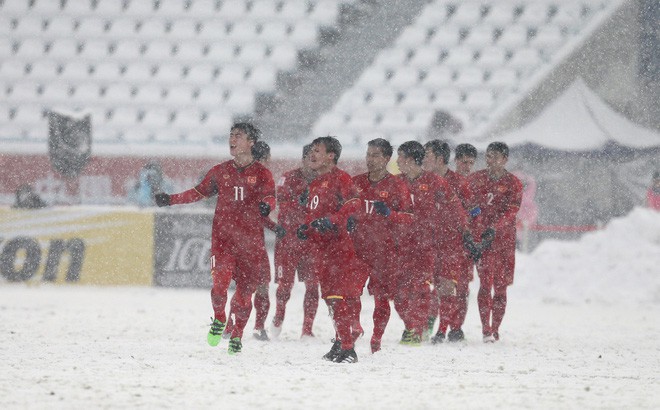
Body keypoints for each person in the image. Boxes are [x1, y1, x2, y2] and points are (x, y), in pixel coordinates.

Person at [154, 123, 276, 355]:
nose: (232, 140)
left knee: (243, 294)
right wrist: (171, 199)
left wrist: (266, 206)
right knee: (219, 286)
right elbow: (198, 192)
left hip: (251, 245)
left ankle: (238, 335)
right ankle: (219, 317)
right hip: (224, 242)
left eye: (238, 136)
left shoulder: (262, 174)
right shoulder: (220, 171)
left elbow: (271, 197)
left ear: (251, 143)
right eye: (230, 136)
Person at [297, 136, 364, 363]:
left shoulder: (341, 178)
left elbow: (353, 204)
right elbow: (313, 216)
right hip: (321, 250)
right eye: (311, 151)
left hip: (339, 247)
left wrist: (333, 220)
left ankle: (348, 349)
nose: (312, 155)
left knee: (336, 297)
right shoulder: (314, 183)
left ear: (331, 156)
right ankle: (341, 342)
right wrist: (305, 228)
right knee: (330, 298)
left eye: (317, 150)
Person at [395, 141, 469, 346]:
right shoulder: (395, 182)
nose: (397, 161)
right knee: (399, 292)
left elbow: (462, 210)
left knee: (436, 287)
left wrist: (468, 235)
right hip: (403, 247)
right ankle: (413, 325)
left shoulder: (440, 182)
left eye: (399, 157)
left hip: (437, 245)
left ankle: (436, 329)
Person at [351, 138, 412, 353]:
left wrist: (390, 214)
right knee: (350, 293)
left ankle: (376, 338)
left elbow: (409, 218)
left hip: (384, 251)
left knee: (381, 297)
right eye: (368, 154)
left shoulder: (397, 185)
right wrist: (348, 219)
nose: (370, 159)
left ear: (386, 158)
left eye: (375, 155)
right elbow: (342, 208)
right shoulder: (355, 182)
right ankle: (354, 327)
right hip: (357, 249)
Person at [468, 142, 523, 343]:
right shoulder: (476, 179)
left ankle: (496, 327)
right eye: (489, 156)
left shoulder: (513, 183)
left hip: (504, 242)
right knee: (485, 284)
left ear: (505, 159)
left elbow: (512, 211)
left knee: (501, 287)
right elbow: (470, 205)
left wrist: (495, 227)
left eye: (496, 157)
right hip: (483, 242)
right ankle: (486, 329)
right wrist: (481, 226)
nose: (491, 161)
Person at [423, 140, 475, 343]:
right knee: (428, 286)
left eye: (427, 155)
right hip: (428, 243)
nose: (424, 159)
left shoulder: (459, 183)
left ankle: (449, 329)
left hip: (454, 245)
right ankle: (427, 325)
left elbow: (473, 212)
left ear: (438, 158)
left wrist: (468, 235)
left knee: (452, 287)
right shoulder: (423, 181)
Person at [224, 140, 274, 341]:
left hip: (246, 242)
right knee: (257, 286)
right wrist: (276, 227)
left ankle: (232, 326)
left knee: (250, 287)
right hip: (249, 244)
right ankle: (254, 327)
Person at [270, 144, 320, 339]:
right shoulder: (288, 177)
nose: (315, 162)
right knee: (284, 287)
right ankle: (278, 317)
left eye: (318, 157)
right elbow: (281, 205)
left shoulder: (325, 181)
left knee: (313, 285)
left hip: (312, 243)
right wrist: (300, 200)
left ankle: (307, 329)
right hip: (288, 242)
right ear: (304, 158)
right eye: (311, 157)